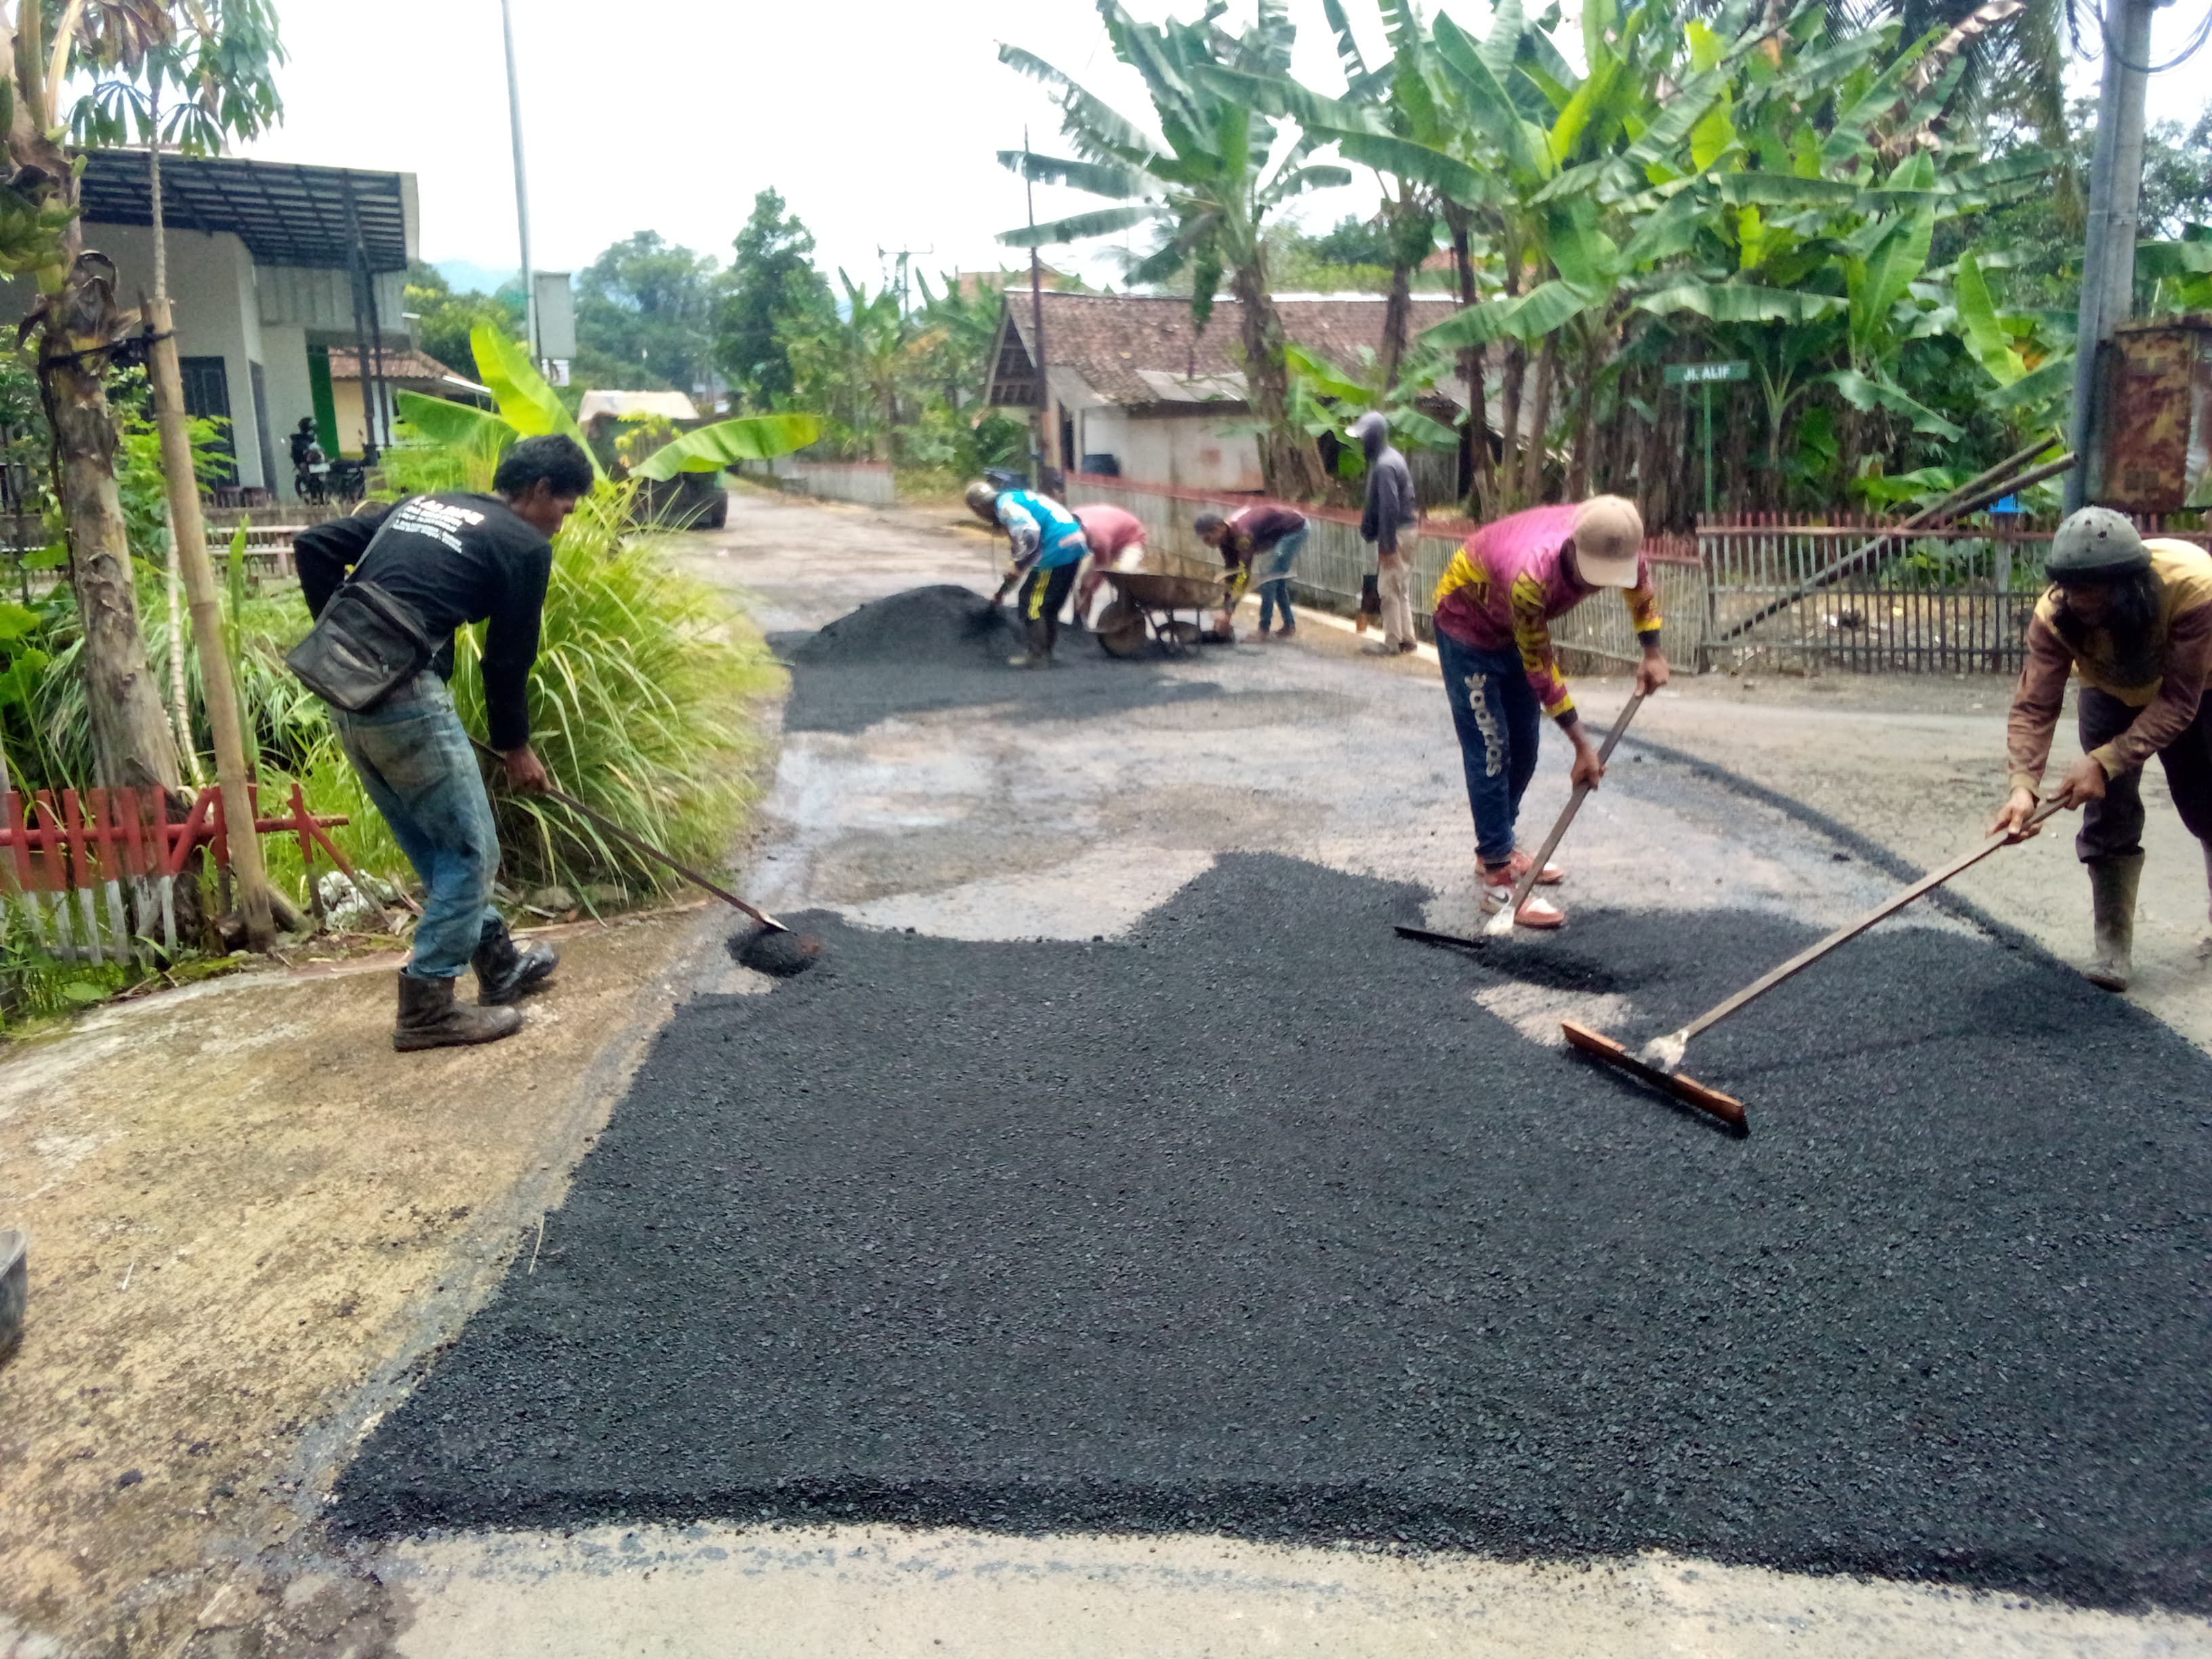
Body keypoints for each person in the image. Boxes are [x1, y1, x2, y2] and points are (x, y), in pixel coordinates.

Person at [294, 434, 593, 1050]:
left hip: (345, 695)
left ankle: (499, 963)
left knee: (438, 849)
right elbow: (507, 662)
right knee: (473, 854)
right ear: (540, 490)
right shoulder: (524, 546)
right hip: (405, 698)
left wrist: (347, 643)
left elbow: (314, 544)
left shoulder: (426, 504)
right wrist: (516, 748)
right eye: (563, 509)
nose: (561, 525)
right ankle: (427, 1007)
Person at [1990, 507, 2212, 991]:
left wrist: (2104, 760)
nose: (2079, 602)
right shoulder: (2055, 615)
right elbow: (2034, 705)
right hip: (2110, 692)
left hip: (2201, 689)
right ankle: (2112, 946)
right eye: (2071, 589)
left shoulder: (2193, 587)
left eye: (2092, 591)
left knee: (2207, 805)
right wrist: (2023, 788)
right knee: (2109, 811)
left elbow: (2179, 701)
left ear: (2130, 584)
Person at [1430, 495, 1668, 928]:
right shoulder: (1531, 574)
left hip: (1511, 630)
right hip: (1468, 627)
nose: (1596, 588)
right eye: (1592, 576)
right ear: (1573, 548)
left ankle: (1497, 847)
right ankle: (1498, 880)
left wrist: (1652, 653)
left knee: (1525, 746)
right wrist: (1582, 747)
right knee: (1491, 750)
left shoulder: (1617, 538)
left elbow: (1641, 589)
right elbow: (1540, 666)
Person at [965, 479, 1090, 667]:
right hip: (1074, 542)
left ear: (978, 508)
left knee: (1031, 602)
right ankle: (1047, 652)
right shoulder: (1016, 498)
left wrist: (1018, 567)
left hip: (1057, 547)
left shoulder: (1006, 507)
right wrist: (1004, 590)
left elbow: (1030, 535)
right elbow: (1022, 550)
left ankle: (1037, 656)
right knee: (1049, 604)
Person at [1351, 411, 1418, 655]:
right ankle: (1407, 639)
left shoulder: (1385, 466)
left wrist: (1387, 545)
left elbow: (1390, 507)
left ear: (1374, 438)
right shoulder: (1391, 459)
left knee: (1388, 589)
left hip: (1397, 532)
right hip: (1406, 529)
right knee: (1400, 587)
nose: (1362, 443)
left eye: (1364, 438)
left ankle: (1392, 643)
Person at [1195, 504, 1309, 640]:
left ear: (1219, 528)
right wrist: (1227, 608)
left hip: (1295, 529)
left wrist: (1228, 614)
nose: (1207, 544)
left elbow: (1244, 574)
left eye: (1207, 538)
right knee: (1275, 579)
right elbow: (1231, 573)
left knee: (1268, 581)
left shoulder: (1243, 535)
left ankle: (1263, 630)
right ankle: (1289, 626)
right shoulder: (1225, 539)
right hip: (1278, 532)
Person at [1073, 501, 1148, 623]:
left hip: (1131, 538)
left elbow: (1102, 567)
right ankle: (1080, 623)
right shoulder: (1069, 521)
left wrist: (1089, 587)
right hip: (1111, 530)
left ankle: (1124, 614)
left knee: (1124, 577)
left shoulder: (1100, 539)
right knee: (1084, 584)